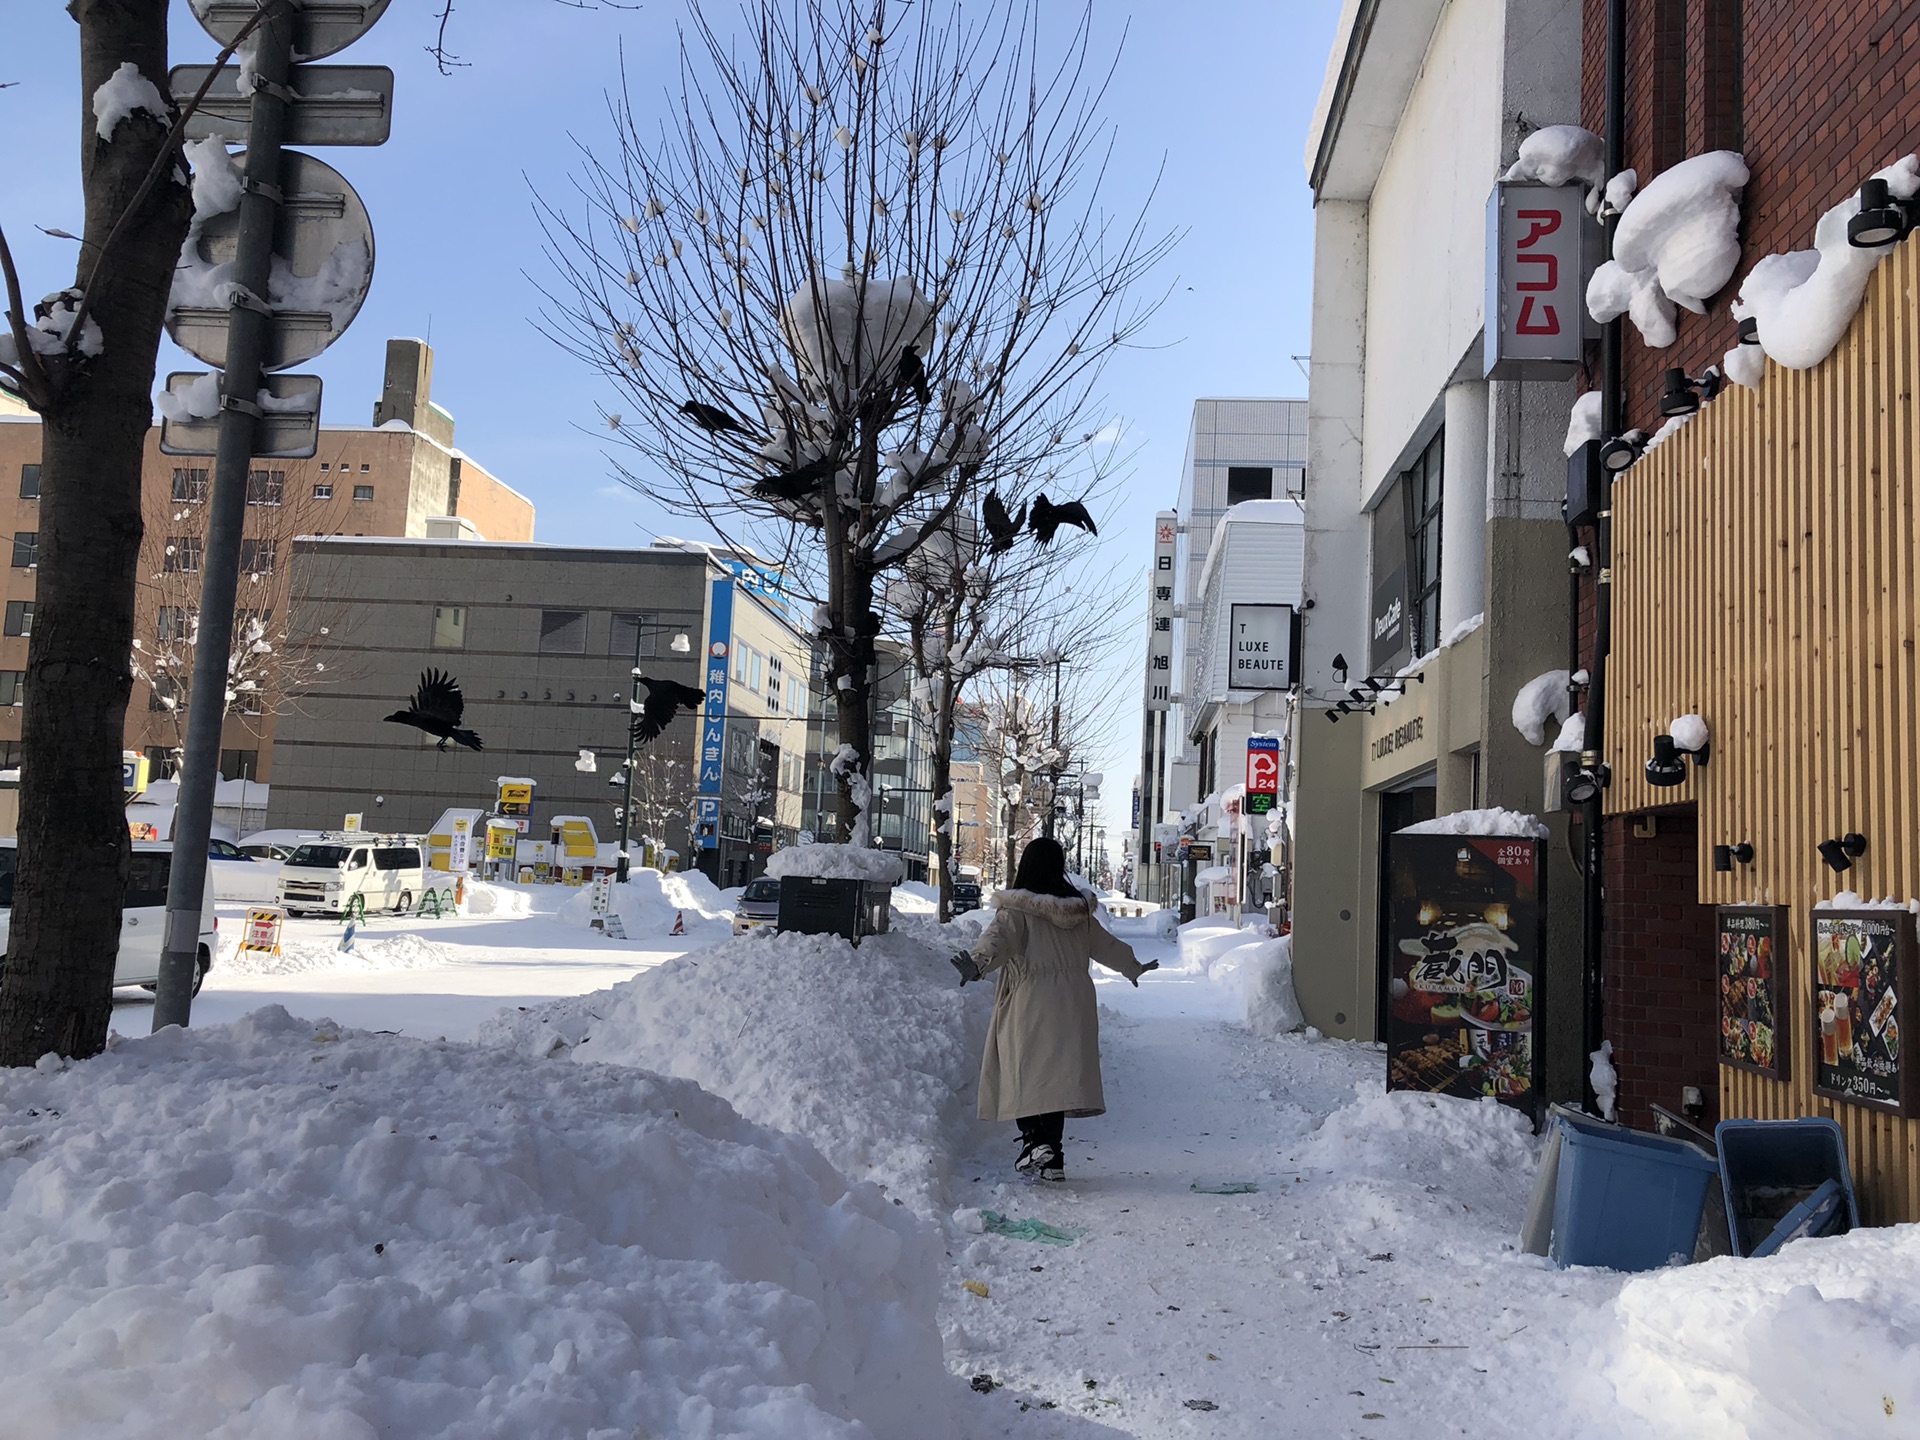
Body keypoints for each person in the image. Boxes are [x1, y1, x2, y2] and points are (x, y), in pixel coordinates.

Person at [950, 837, 1158, 1181]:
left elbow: (997, 941)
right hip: (1075, 1000)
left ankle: (1034, 1142)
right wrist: (1132, 967)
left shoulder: (1016, 910)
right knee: (1057, 1078)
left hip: (1031, 997)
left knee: (1025, 1070)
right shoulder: (1076, 912)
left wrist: (977, 965)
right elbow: (1105, 946)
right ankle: (1053, 1158)